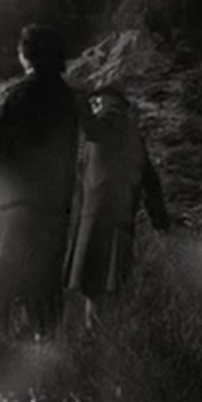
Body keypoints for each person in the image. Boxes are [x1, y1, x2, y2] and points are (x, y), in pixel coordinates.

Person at [0, 24, 80, 341]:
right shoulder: (67, 96)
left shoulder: (22, 94)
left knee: (2, 277)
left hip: (17, 203)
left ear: (27, 54)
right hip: (55, 204)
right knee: (44, 281)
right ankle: (48, 346)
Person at [66, 86, 171, 327]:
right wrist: (159, 220)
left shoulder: (110, 117)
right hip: (120, 214)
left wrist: (77, 101)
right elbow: (149, 180)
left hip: (99, 214)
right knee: (110, 279)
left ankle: (96, 333)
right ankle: (105, 333)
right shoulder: (131, 132)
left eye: (95, 102)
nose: (94, 107)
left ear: (105, 101)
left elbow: (92, 130)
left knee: (95, 280)